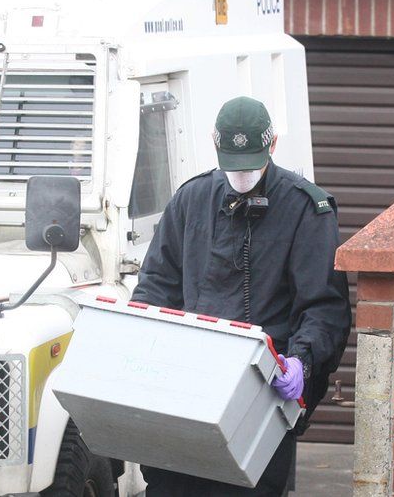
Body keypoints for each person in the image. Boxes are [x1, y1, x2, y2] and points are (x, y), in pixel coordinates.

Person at [131, 96, 352, 496]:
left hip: (260, 395)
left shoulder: (306, 209)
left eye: (251, 165)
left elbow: (324, 307)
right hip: (187, 391)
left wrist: (302, 361)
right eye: (233, 166)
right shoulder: (191, 201)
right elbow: (155, 287)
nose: (242, 177)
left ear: (273, 146)